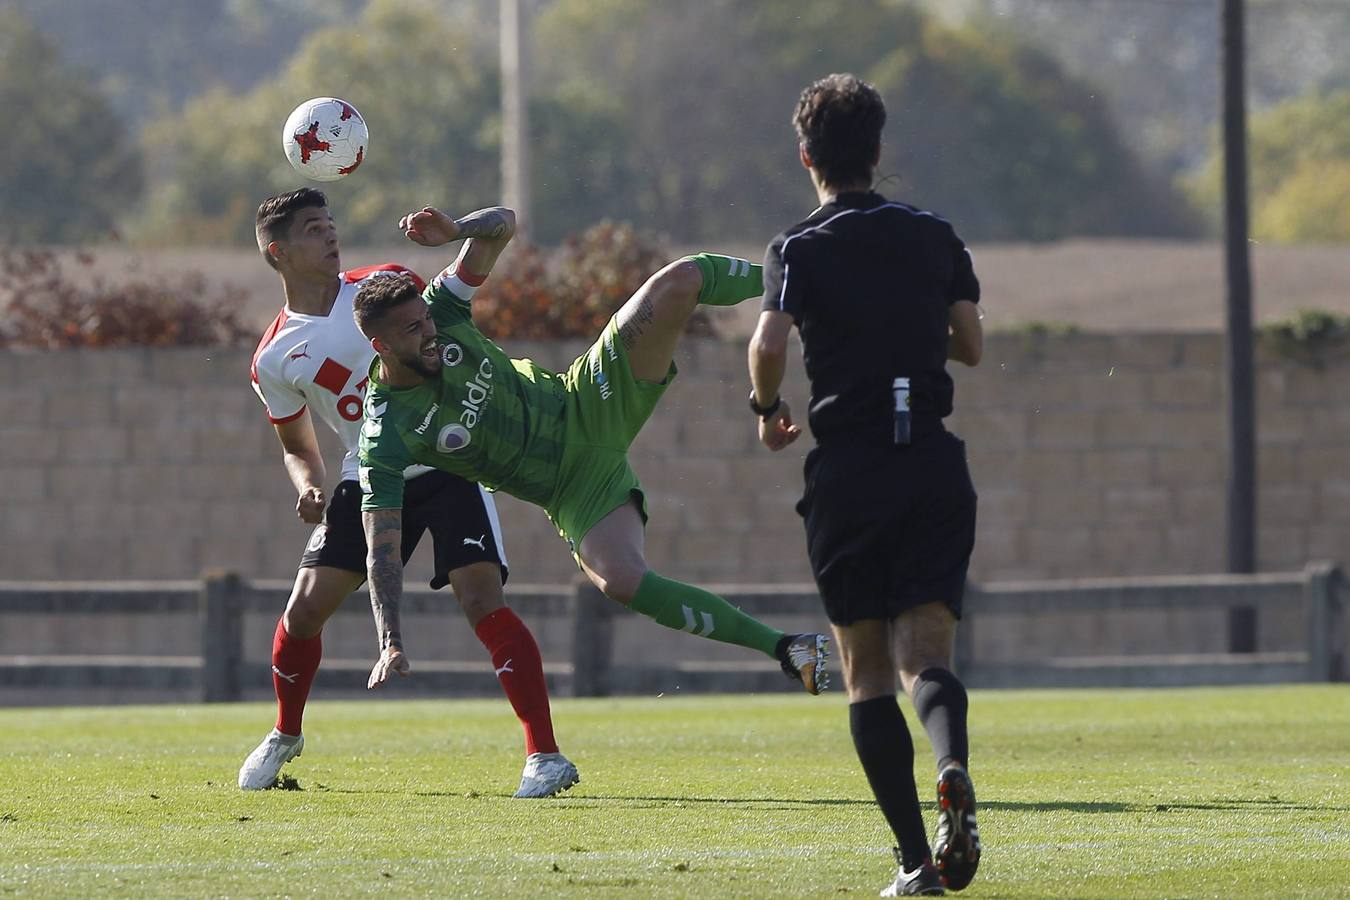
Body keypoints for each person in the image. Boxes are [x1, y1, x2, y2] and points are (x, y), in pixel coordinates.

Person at [349, 204, 830, 698]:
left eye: (425, 321)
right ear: (379, 344)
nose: (429, 333)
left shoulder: (444, 310)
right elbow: (382, 548)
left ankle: (810, 282)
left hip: (586, 400)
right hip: (572, 489)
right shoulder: (385, 434)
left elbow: (505, 224)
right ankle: (789, 648)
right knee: (620, 580)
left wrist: (457, 231)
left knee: (683, 278)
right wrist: (390, 641)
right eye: (412, 331)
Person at [242, 187, 576, 799]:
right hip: (367, 475)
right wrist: (310, 485)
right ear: (277, 251)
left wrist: (454, 231)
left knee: (482, 600)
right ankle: (285, 732)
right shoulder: (272, 357)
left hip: (447, 463)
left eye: (330, 223)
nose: (331, 235)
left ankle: (545, 756)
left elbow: (485, 250)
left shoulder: (385, 286)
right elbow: (297, 447)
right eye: (313, 229)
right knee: (304, 610)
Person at [748, 74, 984, 896]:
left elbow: (768, 342)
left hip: (849, 469)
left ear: (806, 156)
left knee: (865, 671)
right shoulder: (933, 235)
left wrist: (769, 406)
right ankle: (951, 762)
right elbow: (971, 343)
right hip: (930, 459)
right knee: (928, 654)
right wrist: (907, 339)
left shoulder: (799, 246)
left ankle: (917, 862)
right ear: (879, 152)